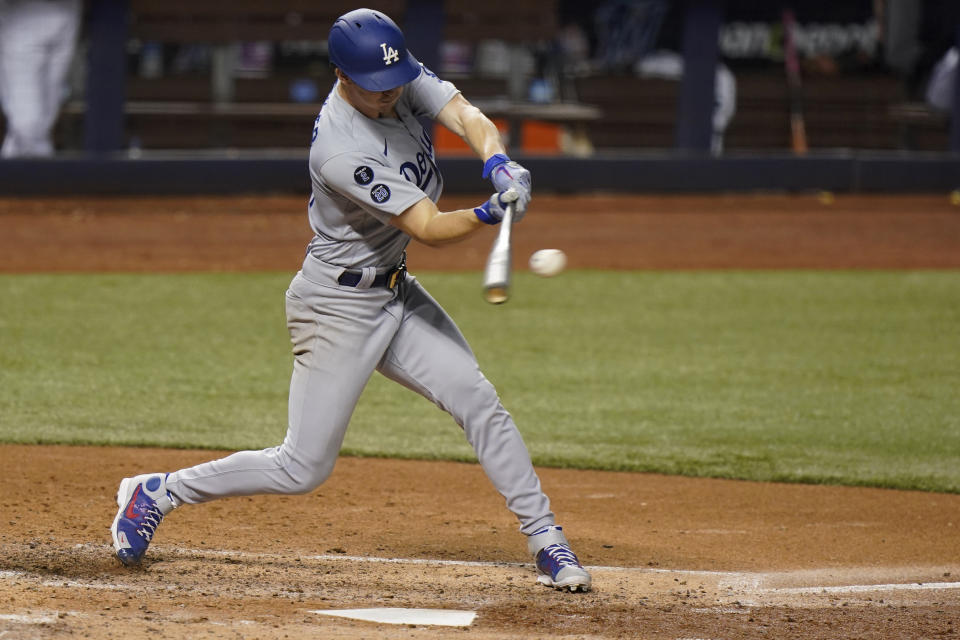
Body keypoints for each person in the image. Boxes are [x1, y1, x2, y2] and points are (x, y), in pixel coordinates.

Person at [110, 8, 591, 593]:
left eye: (395, 84)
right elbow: (430, 227)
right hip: (334, 306)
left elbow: (466, 115)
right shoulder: (340, 148)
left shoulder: (392, 73)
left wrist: (497, 161)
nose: (391, 95)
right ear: (342, 75)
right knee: (301, 468)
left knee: (477, 398)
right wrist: (491, 211)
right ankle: (157, 491)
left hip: (395, 289)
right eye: (376, 88)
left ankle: (546, 538)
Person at [0, 0, 82, 157]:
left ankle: (27, 177)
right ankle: (18, 177)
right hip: (22, 17)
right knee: (27, 121)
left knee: (44, 121)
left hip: (68, 12)